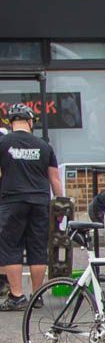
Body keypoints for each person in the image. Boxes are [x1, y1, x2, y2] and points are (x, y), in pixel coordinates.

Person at [0, 103, 64, 311]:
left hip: (12, 201)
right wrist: (61, 205)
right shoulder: (44, 146)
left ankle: (17, 297)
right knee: (37, 248)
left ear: (10, 123)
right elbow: (55, 179)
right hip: (39, 202)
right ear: (30, 121)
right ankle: (37, 296)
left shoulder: (3, 143)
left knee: (12, 248)